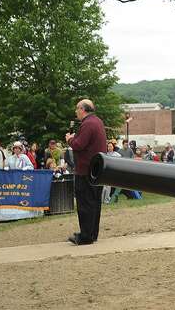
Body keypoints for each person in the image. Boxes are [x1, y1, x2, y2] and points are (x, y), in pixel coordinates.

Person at [66, 98, 108, 246]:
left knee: (85, 203)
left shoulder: (87, 124)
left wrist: (70, 139)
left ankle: (85, 236)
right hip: (96, 170)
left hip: (85, 170)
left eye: (77, 109)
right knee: (95, 203)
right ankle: (92, 233)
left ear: (83, 109)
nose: (76, 112)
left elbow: (79, 144)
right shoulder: (97, 121)